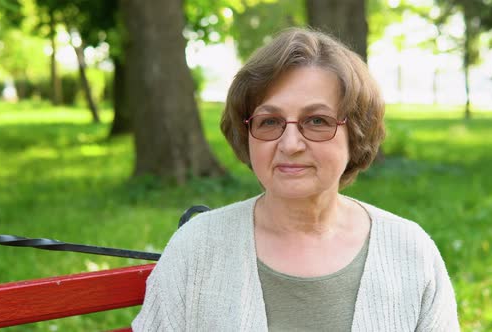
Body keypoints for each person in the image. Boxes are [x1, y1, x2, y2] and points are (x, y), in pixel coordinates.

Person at [132, 27, 459, 331]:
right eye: (270, 121)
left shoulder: (410, 252)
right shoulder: (196, 250)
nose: (289, 144)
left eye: (317, 120)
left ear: (356, 133)